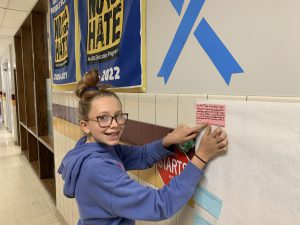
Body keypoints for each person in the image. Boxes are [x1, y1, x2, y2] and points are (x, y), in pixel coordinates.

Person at [58, 69, 228, 225]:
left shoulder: (91, 147)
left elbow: (140, 156)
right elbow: (160, 205)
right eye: (103, 118)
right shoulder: (97, 168)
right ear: (85, 125)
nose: (115, 125)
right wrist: (201, 157)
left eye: (119, 116)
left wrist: (168, 140)